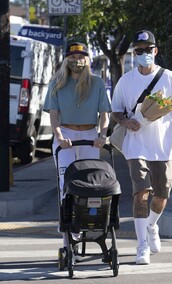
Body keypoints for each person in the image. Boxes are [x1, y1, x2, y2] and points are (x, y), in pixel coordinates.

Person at [111, 30, 172, 265]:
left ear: (155, 51)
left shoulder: (169, 78)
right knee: (141, 193)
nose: (143, 54)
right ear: (134, 53)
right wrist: (124, 121)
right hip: (135, 145)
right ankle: (142, 247)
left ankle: (152, 225)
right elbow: (116, 110)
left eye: (147, 50)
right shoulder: (126, 80)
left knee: (161, 195)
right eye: (138, 51)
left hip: (163, 147)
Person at [44, 42, 111, 248]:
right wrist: (59, 136)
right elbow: (54, 115)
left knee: (90, 182)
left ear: (87, 60)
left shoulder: (97, 83)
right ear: (67, 59)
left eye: (81, 57)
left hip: (90, 136)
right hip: (66, 135)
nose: (77, 61)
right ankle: (67, 227)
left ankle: (88, 222)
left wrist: (102, 135)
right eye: (73, 57)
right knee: (66, 182)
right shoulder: (57, 83)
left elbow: (105, 115)